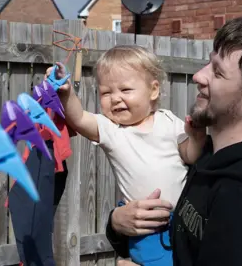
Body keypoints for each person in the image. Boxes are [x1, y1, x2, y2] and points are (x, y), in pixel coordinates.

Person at [105, 16, 242, 266]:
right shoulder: (207, 156)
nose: (199, 76)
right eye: (208, 64)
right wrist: (117, 224)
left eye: (217, 72)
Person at [46, 45, 207, 265]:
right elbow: (79, 118)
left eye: (125, 90)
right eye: (106, 92)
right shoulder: (112, 130)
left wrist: (197, 137)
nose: (115, 98)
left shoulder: (168, 121)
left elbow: (189, 156)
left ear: (153, 90)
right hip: (145, 226)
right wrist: (66, 93)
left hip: (183, 219)